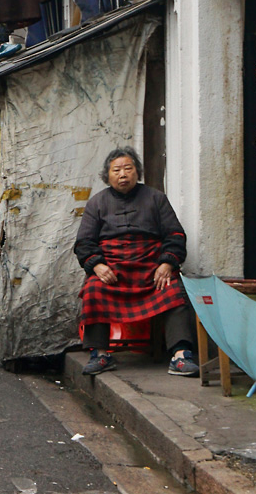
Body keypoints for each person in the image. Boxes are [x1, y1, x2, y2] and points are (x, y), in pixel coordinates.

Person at [74, 146, 199, 377]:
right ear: (107, 175)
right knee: (92, 289)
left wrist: (167, 263)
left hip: (150, 268)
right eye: (117, 170)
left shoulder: (156, 198)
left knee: (173, 290)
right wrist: (98, 266)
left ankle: (181, 355)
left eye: (128, 169)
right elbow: (84, 243)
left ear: (137, 172)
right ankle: (100, 354)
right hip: (112, 270)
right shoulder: (97, 203)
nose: (123, 174)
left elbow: (175, 235)